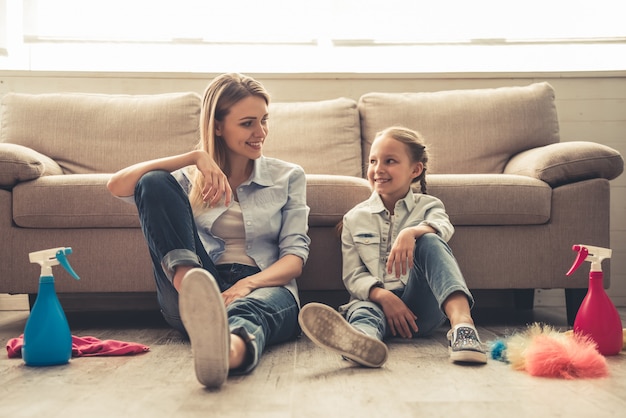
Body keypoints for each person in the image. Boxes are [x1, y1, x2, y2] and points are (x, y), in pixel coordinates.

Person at [107, 73, 310, 388]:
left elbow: (294, 259)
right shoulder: (190, 177)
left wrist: (246, 284)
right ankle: (193, 290)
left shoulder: (289, 177)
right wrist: (194, 157)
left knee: (249, 309)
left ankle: (226, 351)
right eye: (247, 123)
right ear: (218, 126)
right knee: (154, 180)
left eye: (264, 121)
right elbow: (116, 185)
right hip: (199, 280)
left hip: (262, 287)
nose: (261, 132)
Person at [298, 126, 487, 367]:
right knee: (363, 311)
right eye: (373, 161)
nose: (378, 169)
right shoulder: (354, 218)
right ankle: (360, 342)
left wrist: (411, 232)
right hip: (377, 305)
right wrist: (383, 296)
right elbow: (353, 275)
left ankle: (463, 329)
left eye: (390, 161)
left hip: (421, 311)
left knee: (430, 240)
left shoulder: (429, 206)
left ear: (415, 170)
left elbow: (443, 227)